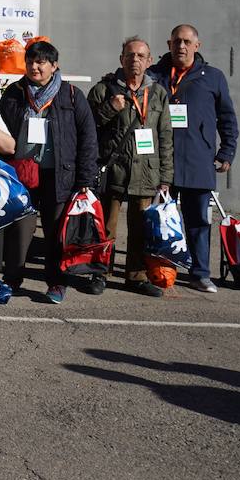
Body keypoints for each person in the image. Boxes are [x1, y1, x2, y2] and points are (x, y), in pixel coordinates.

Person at [0, 40, 100, 303]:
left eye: (41, 62)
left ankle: (56, 282)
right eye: (30, 61)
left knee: (56, 232)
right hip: (22, 173)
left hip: (59, 175)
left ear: (54, 66)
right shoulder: (14, 93)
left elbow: (88, 139)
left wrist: (85, 179)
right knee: (19, 228)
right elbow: (0, 131)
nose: (34, 66)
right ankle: (12, 279)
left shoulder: (72, 95)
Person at [148, 24, 239, 293]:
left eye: (187, 41)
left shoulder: (212, 77)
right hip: (161, 162)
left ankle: (200, 273)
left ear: (197, 45)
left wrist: (226, 152)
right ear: (169, 43)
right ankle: (162, 270)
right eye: (177, 41)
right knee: (160, 220)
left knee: (198, 221)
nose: (181, 46)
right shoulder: (154, 76)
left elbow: (228, 119)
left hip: (198, 162)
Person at [88, 37, 174, 297]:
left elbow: (165, 136)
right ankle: (99, 272)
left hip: (146, 170)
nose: (134, 60)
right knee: (107, 227)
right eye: (130, 55)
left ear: (149, 61)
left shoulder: (158, 93)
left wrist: (166, 176)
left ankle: (136, 277)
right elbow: (88, 127)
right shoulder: (104, 89)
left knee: (140, 228)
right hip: (114, 168)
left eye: (140, 56)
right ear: (121, 59)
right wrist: (110, 108)